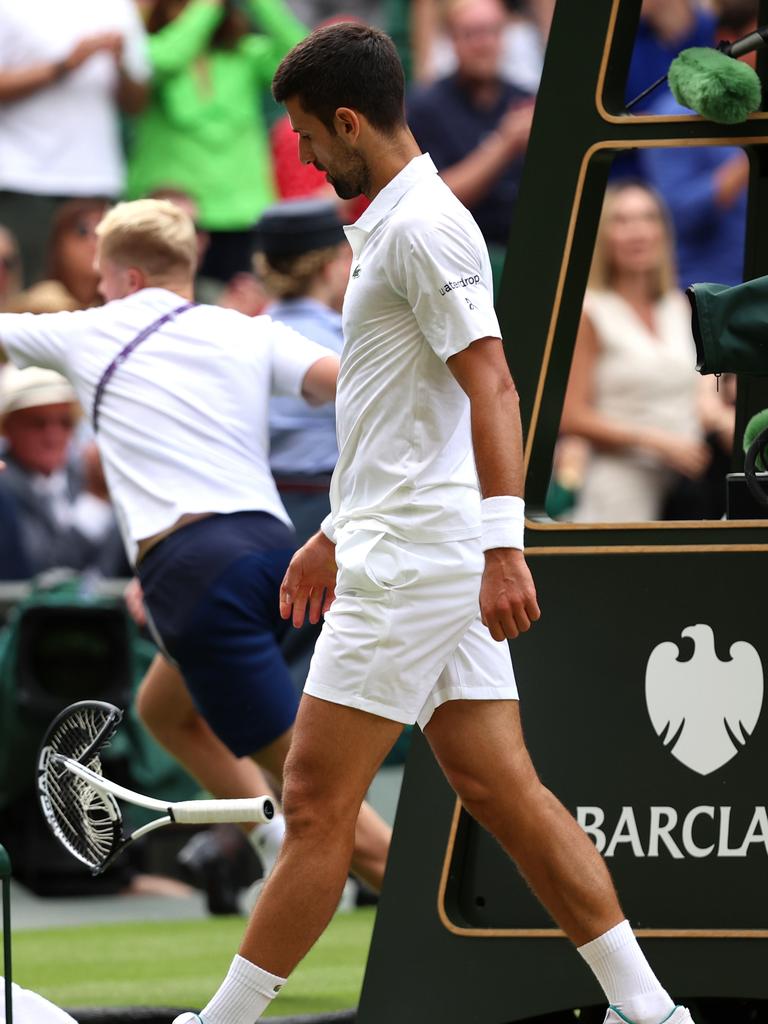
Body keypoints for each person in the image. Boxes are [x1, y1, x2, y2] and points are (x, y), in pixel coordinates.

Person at [170, 23, 695, 1024]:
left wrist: (506, 544)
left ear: (349, 121)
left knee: (318, 805)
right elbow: (407, 412)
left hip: (418, 558)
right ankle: (653, 1013)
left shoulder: (423, 227)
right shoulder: (399, 222)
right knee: (504, 792)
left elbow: (492, 386)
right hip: (408, 541)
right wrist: (336, 525)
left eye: (309, 137)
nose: (308, 156)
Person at [0, 197, 389, 904]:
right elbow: (358, 388)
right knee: (164, 712)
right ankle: (274, 843)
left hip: (198, 578)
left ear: (126, 277)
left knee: (325, 806)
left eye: (99, 276)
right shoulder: (246, 330)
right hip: (279, 559)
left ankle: (460, 942)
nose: (96, 288)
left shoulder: (91, 328)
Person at [559, 181, 721, 523]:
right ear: (603, 234)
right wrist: (657, 443)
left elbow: (700, 391)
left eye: (649, 218)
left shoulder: (678, 306)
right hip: (621, 487)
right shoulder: (590, 310)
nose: (638, 231)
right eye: (622, 221)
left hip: (690, 488)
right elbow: (570, 415)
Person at [126, 0, 306, 284]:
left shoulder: (246, 54)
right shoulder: (149, 50)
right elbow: (160, 60)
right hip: (171, 219)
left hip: (244, 219)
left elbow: (305, 59)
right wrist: (209, 6)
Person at [0, 0, 150, 286]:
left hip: (97, 179)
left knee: (102, 295)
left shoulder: (119, 7)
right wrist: (65, 65)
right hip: (23, 179)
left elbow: (137, 103)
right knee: (25, 297)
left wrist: (120, 67)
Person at [406, 0, 535, 288]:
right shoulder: (425, 107)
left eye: (492, 32)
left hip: (525, 250)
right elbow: (433, 199)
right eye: (472, 33)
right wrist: (504, 145)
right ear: (451, 39)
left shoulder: (526, 99)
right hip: (455, 262)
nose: (484, 44)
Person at [0, 365, 127, 580]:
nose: (53, 436)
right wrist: (96, 500)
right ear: (7, 428)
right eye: (38, 424)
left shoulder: (89, 473)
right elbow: (38, 575)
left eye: (65, 423)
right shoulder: (4, 487)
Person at [7, 198, 109, 314]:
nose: (95, 242)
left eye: (105, 231)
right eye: (83, 231)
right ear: (60, 242)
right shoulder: (37, 304)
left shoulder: (122, 304)